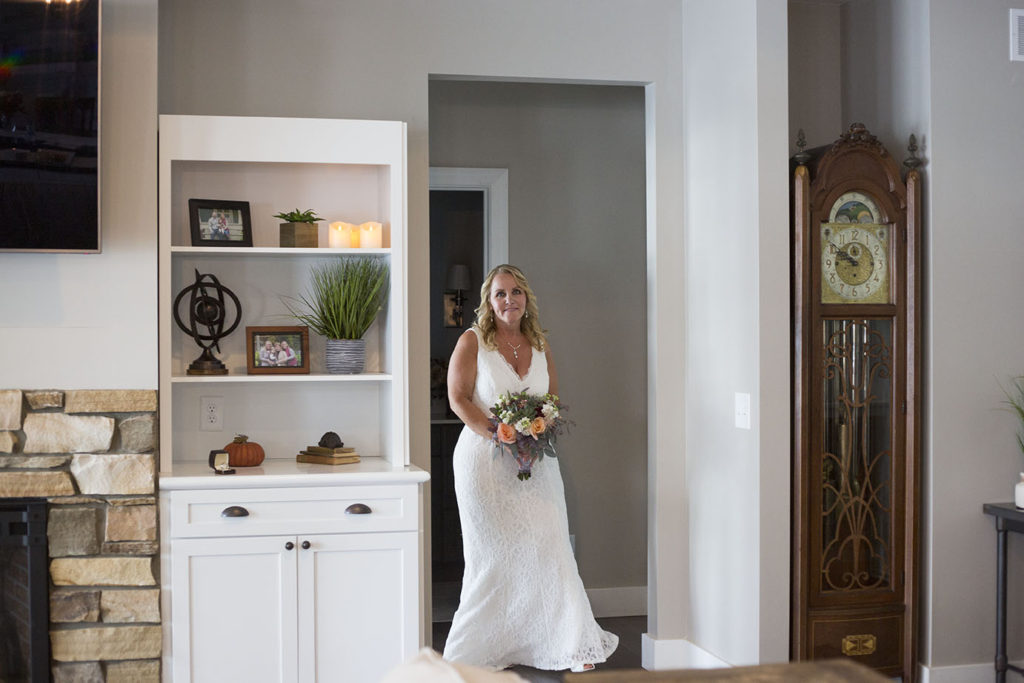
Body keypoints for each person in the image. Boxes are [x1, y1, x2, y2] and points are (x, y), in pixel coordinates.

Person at [442, 264, 617, 673]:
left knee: (551, 544)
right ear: (489, 300)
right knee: (493, 557)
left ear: (527, 299)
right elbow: (458, 398)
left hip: (535, 460)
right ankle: (475, 652)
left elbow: (551, 400)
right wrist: (497, 432)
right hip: (483, 464)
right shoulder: (473, 342)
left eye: (516, 292)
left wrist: (536, 432)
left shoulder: (539, 342)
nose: (509, 300)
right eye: (500, 293)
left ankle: (570, 643)